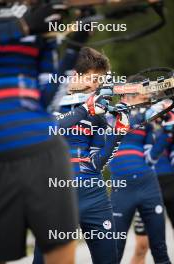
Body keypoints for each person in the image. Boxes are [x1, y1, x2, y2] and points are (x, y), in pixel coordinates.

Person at [0, 2, 85, 263]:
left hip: (45, 151)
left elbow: (47, 98)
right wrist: (22, 27)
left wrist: (73, 48)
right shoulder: (27, 22)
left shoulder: (35, 18)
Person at [33, 46, 130, 264]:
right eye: (93, 79)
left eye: (100, 82)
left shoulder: (96, 113)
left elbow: (96, 163)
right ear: (74, 75)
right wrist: (84, 110)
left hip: (94, 195)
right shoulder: (48, 100)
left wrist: (118, 134)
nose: (96, 87)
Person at [108, 75, 171, 263]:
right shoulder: (110, 116)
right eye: (142, 97)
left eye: (146, 98)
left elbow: (151, 158)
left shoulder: (147, 120)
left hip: (148, 184)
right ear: (126, 95)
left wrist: (167, 134)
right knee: (114, 251)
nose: (146, 100)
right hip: (122, 188)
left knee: (160, 249)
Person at [130, 111, 174, 264]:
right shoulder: (136, 120)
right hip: (145, 184)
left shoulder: (168, 117)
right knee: (142, 246)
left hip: (170, 182)